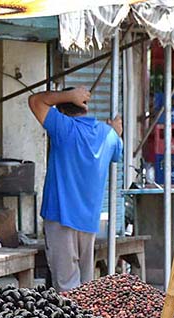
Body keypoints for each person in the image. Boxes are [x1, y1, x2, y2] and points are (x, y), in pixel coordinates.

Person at [28, 86, 123, 292]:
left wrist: (68, 96)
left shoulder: (64, 128)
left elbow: (35, 101)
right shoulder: (108, 135)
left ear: (60, 111)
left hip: (60, 218)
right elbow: (117, 152)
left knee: (66, 287)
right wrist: (115, 130)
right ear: (85, 108)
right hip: (88, 222)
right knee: (85, 287)